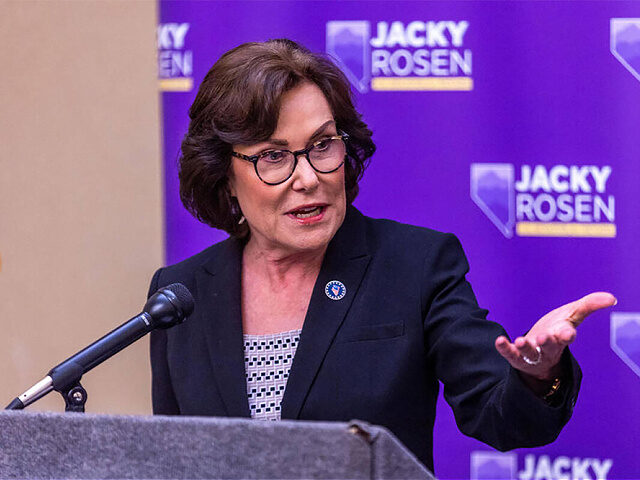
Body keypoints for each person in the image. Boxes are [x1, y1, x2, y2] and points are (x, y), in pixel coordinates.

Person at [148, 39, 615, 472]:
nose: (308, 177)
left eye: (322, 145)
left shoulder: (415, 266)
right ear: (223, 175)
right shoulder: (181, 294)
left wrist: (537, 375)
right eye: (273, 155)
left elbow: (500, 415)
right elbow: (171, 460)